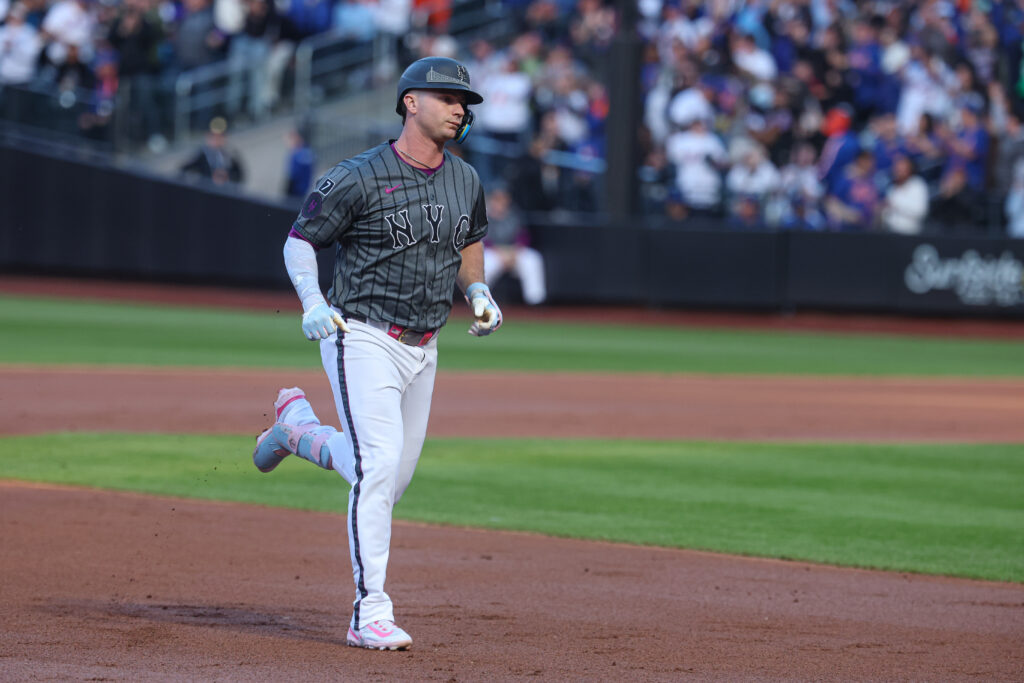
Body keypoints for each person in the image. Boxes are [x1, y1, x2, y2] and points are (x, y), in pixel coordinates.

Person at [251, 56, 501, 651]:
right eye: (447, 98)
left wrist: (478, 291)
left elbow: (469, 240)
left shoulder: (465, 178)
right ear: (410, 102)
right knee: (378, 468)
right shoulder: (359, 174)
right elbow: (299, 241)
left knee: (388, 479)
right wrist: (312, 301)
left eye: (464, 102)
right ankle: (370, 611)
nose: (459, 109)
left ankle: (297, 431)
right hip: (359, 333)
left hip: (425, 344)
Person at [482, 185, 545, 305]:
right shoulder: (483, 215)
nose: (500, 202)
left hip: (514, 252)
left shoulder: (514, 214)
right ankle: (481, 299)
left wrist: (515, 252)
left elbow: (524, 237)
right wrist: (500, 253)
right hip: (493, 253)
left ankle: (535, 302)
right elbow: (481, 240)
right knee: (484, 262)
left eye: (503, 199)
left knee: (533, 259)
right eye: (497, 199)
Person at [179, 116, 245, 185]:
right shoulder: (202, 155)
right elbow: (184, 170)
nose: (217, 140)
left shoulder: (229, 154)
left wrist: (228, 177)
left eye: (220, 137)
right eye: (214, 137)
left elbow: (239, 175)